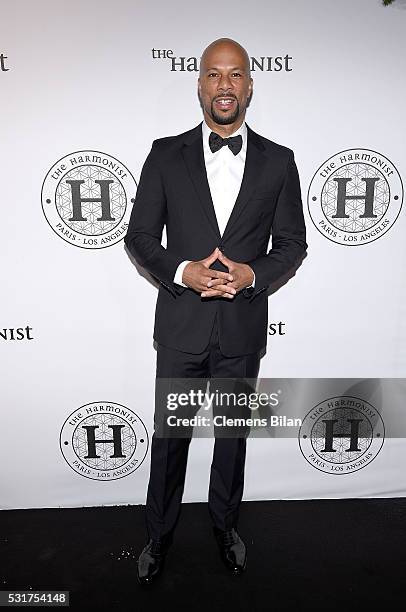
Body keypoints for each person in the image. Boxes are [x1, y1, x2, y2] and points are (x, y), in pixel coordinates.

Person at [124, 37, 307, 585]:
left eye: (235, 75)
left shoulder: (280, 161)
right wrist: (183, 271)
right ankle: (159, 536)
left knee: (232, 442)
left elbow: (292, 245)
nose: (224, 85)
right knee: (170, 439)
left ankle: (225, 528)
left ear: (250, 85)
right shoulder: (164, 154)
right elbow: (139, 237)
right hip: (182, 328)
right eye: (213, 74)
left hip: (241, 331)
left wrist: (255, 275)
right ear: (199, 83)